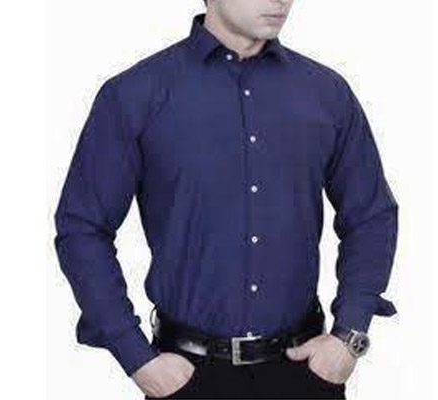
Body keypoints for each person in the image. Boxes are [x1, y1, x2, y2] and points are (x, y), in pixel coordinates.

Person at [53, 0, 399, 398]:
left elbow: (371, 214)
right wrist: (135, 356)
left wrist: (349, 335)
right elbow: (83, 227)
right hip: (186, 377)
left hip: (305, 371)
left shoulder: (326, 93)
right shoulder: (135, 94)